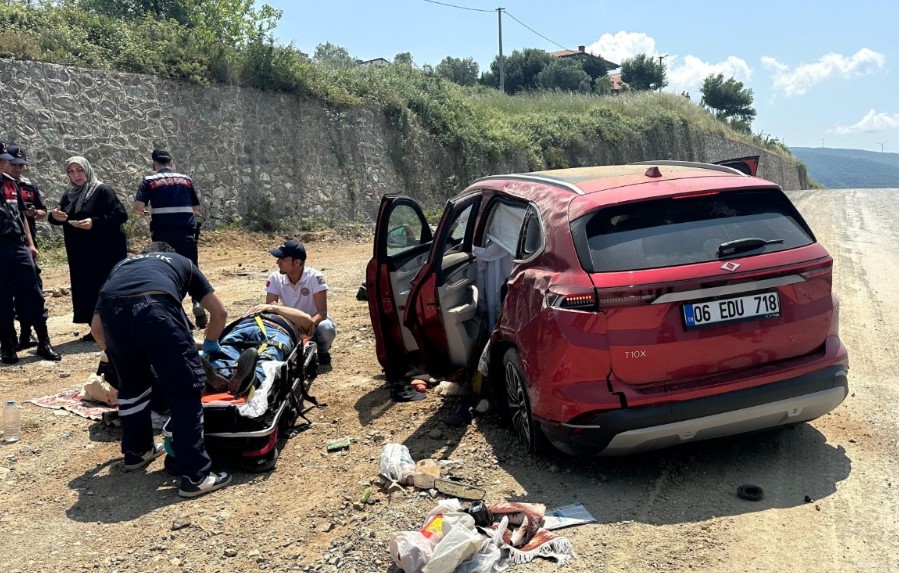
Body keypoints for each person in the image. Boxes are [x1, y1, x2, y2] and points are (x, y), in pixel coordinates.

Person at [89, 241, 231, 498]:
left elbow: (96, 329)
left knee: (132, 388)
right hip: (155, 309)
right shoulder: (183, 263)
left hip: (114, 314)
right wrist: (210, 345)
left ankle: (136, 452)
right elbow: (219, 313)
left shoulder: (122, 265)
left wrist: (116, 357)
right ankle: (196, 476)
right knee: (185, 390)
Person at [48, 156, 128, 335]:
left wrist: (94, 222)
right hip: (81, 255)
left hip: (105, 253)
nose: (76, 175)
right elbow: (60, 216)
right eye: (71, 171)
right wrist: (54, 216)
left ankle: (113, 328)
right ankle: (95, 329)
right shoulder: (69, 195)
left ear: (87, 170)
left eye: (80, 170)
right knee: (87, 289)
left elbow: (121, 214)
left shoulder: (102, 191)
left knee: (105, 288)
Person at [0, 139, 60, 363]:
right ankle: (8, 346)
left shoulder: (11, 183)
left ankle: (44, 342)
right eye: (2, 160)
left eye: (5, 160)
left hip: (18, 246)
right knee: (2, 299)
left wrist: (30, 244)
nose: (4, 164)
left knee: (33, 293)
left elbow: (22, 215)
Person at [133, 149, 206, 329]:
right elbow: (195, 207)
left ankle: (176, 311)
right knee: (191, 269)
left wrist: (144, 212)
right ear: (171, 163)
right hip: (186, 232)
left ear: (154, 164)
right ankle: (197, 301)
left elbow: (137, 207)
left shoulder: (149, 181)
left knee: (167, 271)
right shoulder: (186, 180)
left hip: (162, 234)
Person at [202, 303, 313, 397]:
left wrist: (273, 307)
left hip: (275, 330)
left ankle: (251, 378)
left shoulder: (287, 315)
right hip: (241, 327)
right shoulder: (251, 311)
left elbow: (307, 320)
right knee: (227, 349)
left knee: (269, 353)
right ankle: (220, 376)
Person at [265, 240, 336, 372]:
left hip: (314, 324)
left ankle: (323, 353)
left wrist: (304, 330)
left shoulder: (315, 277)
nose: (277, 262)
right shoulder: (274, 278)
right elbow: (271, 308)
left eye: (282, 259)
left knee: (326, 329)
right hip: (290, 324)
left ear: (297, 262)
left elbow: (322, 313)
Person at [5, 145, 47, 349]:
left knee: (31, 291)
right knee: (5, 296)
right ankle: (9, 344)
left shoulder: (25, 185)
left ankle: (30, 335)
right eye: (14, 164)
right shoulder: (8, 184)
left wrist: (35, 215)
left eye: (21, 165)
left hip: (22, 243)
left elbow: (38, 211)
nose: (18, 168)